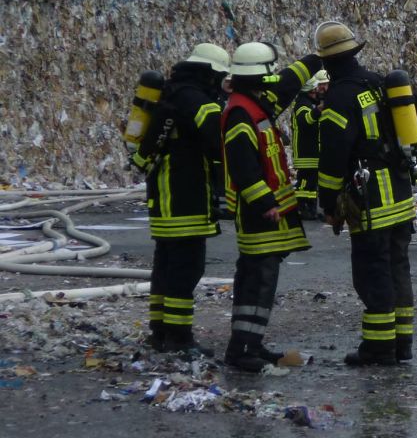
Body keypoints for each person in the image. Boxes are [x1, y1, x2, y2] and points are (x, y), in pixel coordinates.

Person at [315, 21, 417, 366]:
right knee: (397, 267)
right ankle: (402, 344)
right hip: (401, 195)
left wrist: (329, 203)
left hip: (372, 201)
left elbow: (332, 159)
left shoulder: (338, 98)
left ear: (327, 63)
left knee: (371, 274)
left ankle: (378, 349)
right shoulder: (380, 84)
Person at [221, 41, 321, 372]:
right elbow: (242, 165)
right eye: (269, 76)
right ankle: (242, 349)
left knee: (261, 275)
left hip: (262, 210)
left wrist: (317, 58)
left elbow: (289, 82)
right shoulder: (241, 114)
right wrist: (265, 201)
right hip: (257, 214)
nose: (274, 82)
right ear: (259, 78)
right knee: (257, 278)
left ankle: (251, 343)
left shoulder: (253, 105)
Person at [131, 43, 230, 355]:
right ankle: (179, 337)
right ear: (211, 73)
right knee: (186, 269)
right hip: (184, 197)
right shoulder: (197, 100)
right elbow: (219, 138)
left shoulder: (173, 93)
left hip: (162, 195)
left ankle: (159, 331)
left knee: (166, 266)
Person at [291, 69, 329, 220]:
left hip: (311, 153)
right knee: (305, 182)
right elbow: (305, 121)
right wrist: (318, 111)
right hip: (305, 153)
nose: (316, 92)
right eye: (314, 90)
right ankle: (301, 207)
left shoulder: (308, 103)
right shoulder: (302, 105)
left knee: (311, 184)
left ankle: (311, 208)